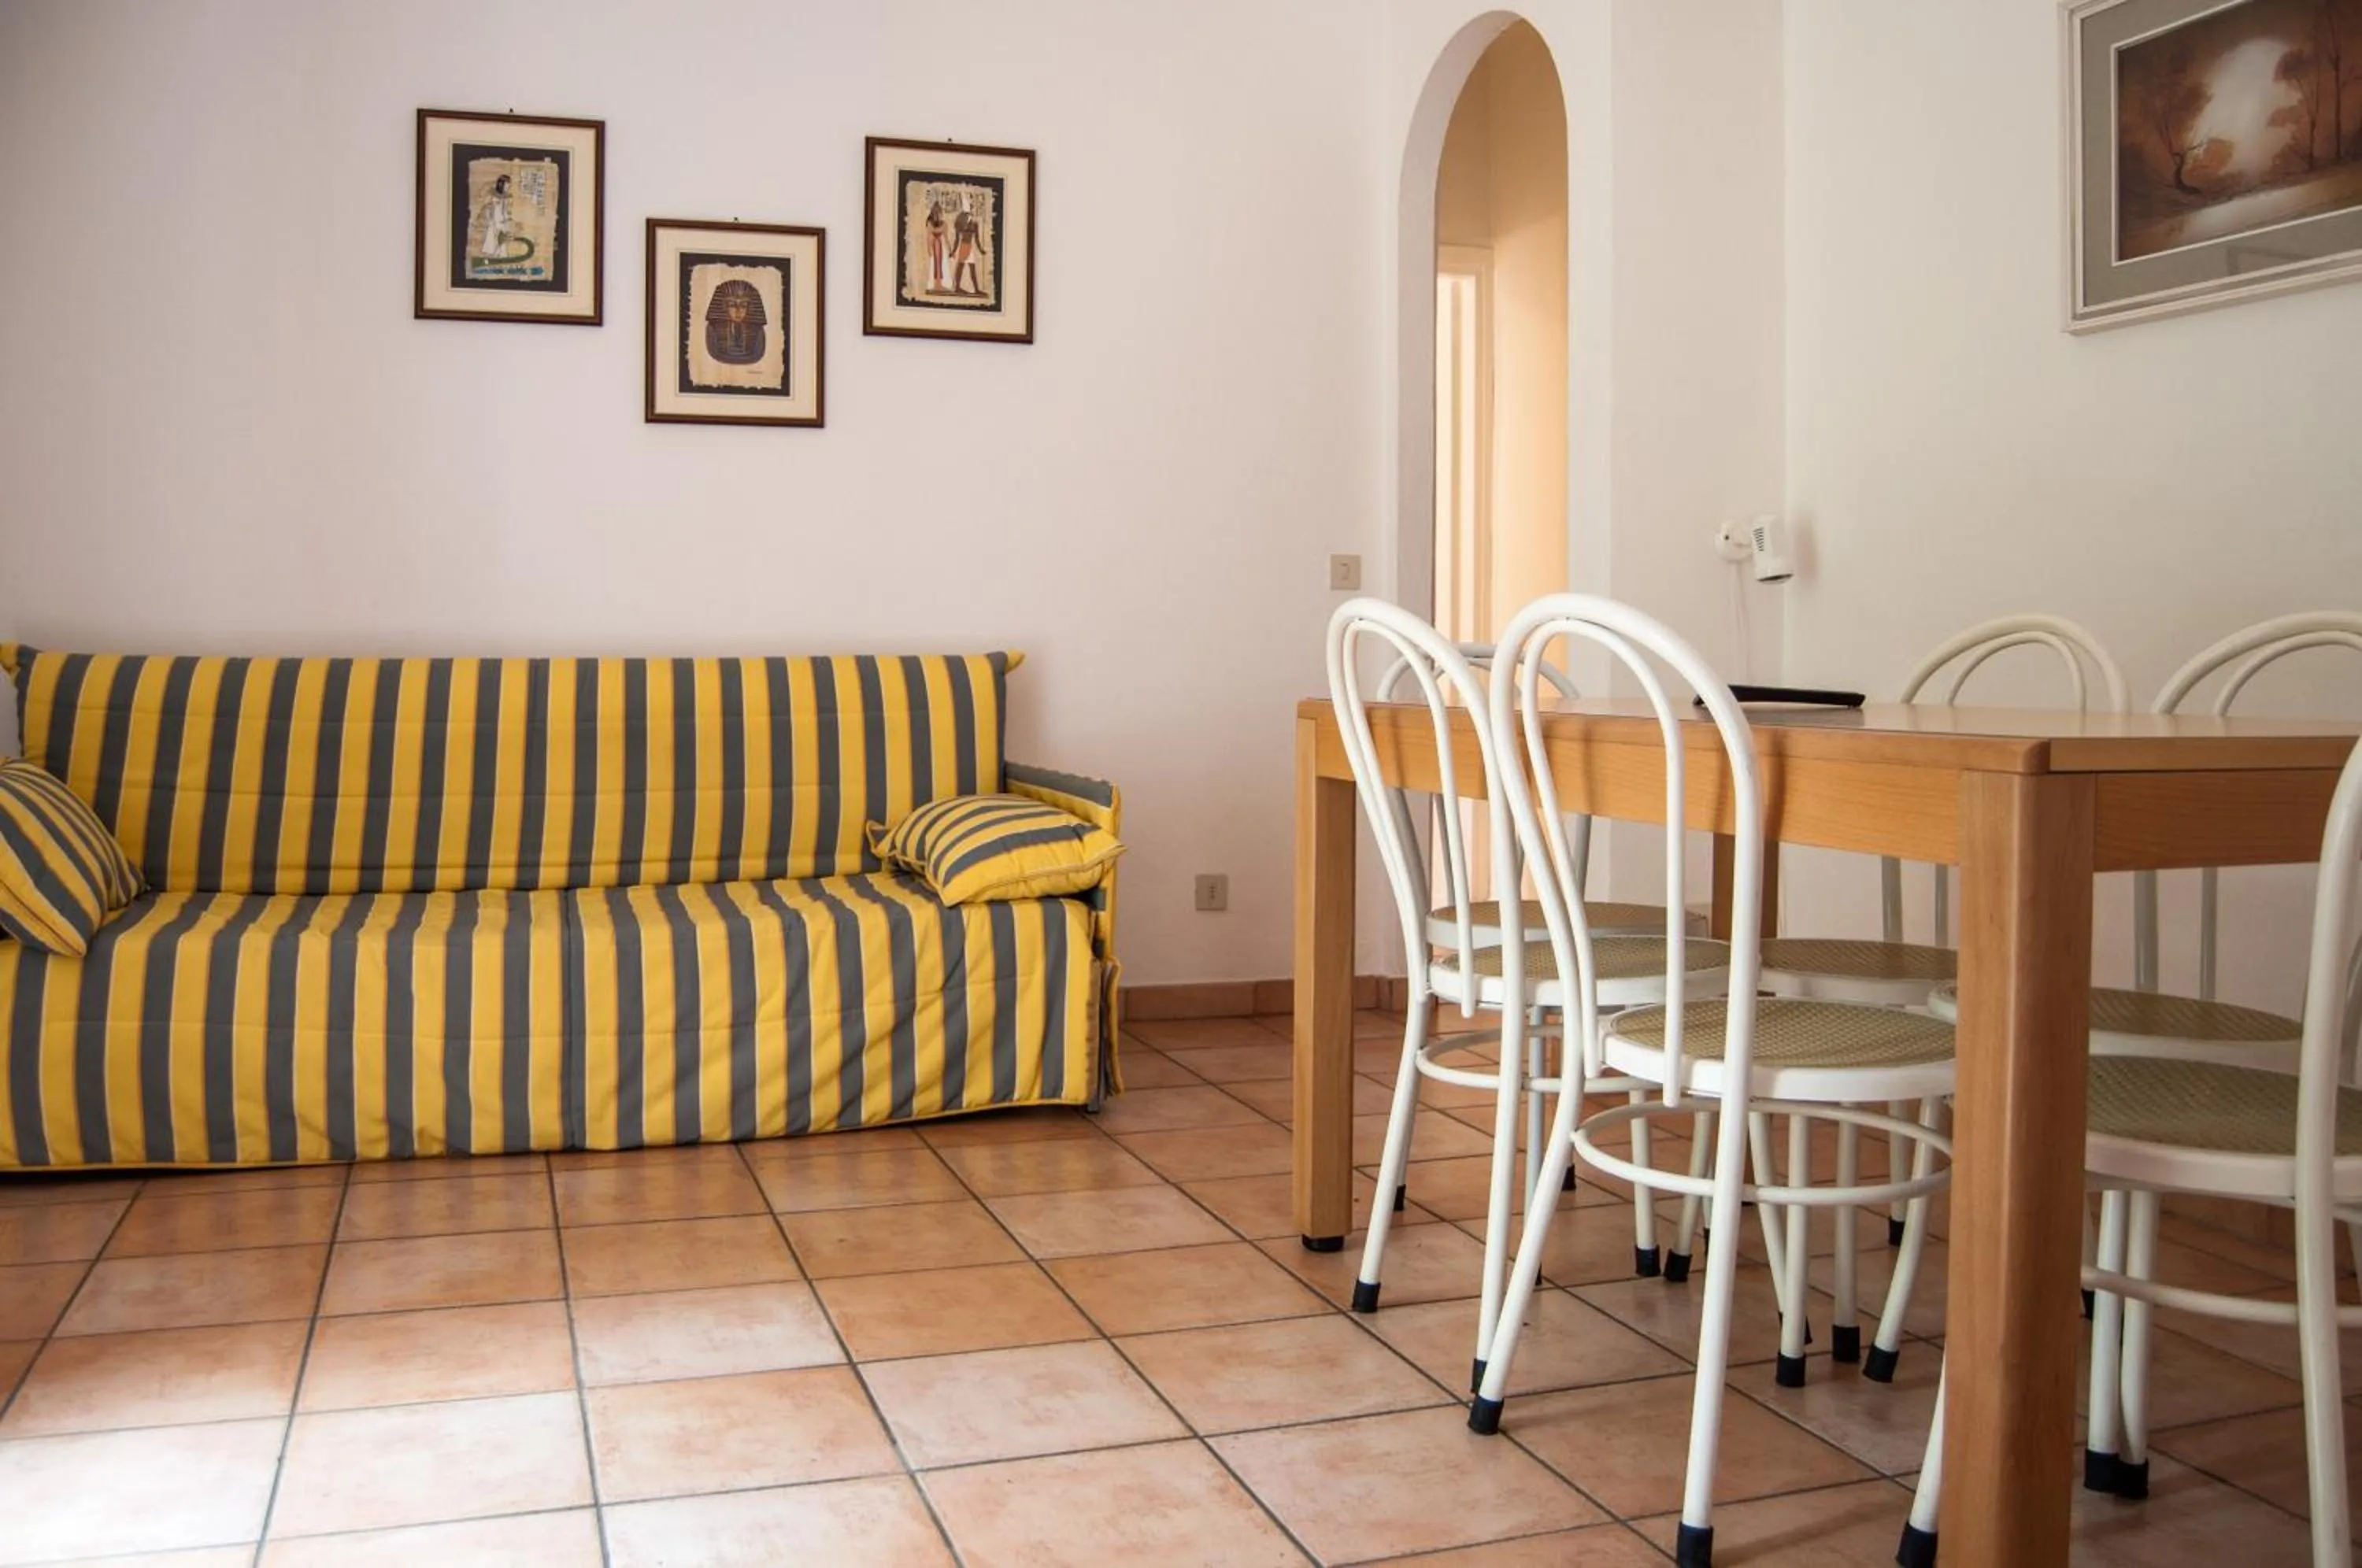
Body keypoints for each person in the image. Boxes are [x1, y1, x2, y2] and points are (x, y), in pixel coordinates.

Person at [950, 194, 985, 297]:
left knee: (968, 267)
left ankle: (974, 289)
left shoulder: (973, 223)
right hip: (964, 246)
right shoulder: (963, 222)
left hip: (968, 247)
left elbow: (976, 238)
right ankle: (959, 288)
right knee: (963, 267)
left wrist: (981, 249)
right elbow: (957, 239)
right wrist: (953, 251)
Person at [924, 196, 950, 292]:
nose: (938, 214)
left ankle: (939, 284)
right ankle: (936, 285)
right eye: (936, 212)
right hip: (935, 245)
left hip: (940, 245)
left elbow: (946, 239)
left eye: (939, 212)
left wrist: (950, 250)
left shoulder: (944, 224)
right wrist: (929, 250)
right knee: (936, 264)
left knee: (941, 264)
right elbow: (928, 238)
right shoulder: (930, 223)